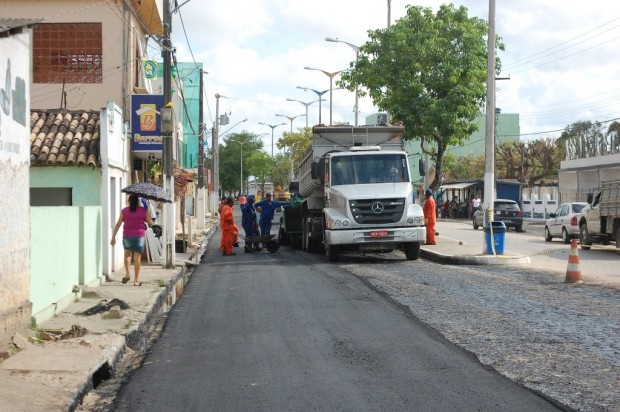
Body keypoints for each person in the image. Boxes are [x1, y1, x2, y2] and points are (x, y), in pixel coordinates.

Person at [110, 194, 154, 286]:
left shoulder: (124, 211)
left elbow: (118, 224)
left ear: (129, 201)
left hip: (127, 236)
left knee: (127, 255)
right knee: (137, 258)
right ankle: (136, 281)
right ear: (138, 201)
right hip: (139, 236)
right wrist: (147, 216)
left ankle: (127, 274)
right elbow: (150, 223)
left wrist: (113, 237)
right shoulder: (143, 210)